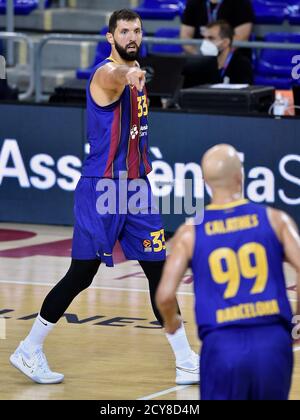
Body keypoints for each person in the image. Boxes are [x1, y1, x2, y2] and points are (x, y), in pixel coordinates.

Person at [10, 9, 198, 386]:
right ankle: (29, 348)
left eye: (137, 30)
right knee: (82, 274)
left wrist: (135, 72)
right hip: (102, 189)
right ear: (110, 37)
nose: (132, 36)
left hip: (137, 189)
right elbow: (115, 76)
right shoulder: (106, 73)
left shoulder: (137, 68)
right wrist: (128, 73)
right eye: (124, 31)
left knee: (158, 271)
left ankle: (186, 360)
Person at [156, 144, 300, 400]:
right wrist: (298, 320)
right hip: (272, 342)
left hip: (222, 346)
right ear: (241, 176)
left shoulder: (190, 232)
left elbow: (165, 295)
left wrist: (172, 323)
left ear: (204, 182)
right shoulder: (275, 219)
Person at [180, 0, 255, 55]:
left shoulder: (241, 2)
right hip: (200, 56)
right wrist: (197, 54)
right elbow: (185, 36)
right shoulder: (193, 2)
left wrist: (217, 54)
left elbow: (241, 37)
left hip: (231, 57)